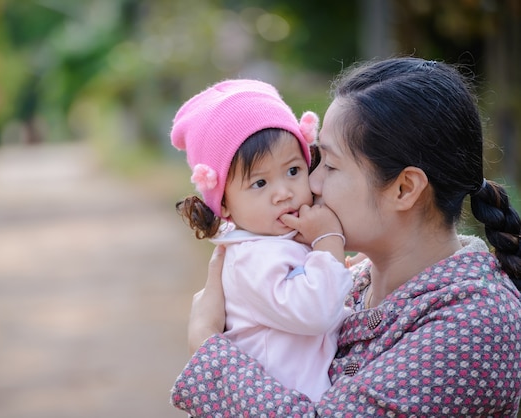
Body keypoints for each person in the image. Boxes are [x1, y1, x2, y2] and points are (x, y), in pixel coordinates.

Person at [170, 57, 521, 417]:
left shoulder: (474, 325)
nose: (311, 183)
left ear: (404, 188)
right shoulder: (353, 279)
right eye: (314, 160)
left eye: (330, 166)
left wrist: (207, 343)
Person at [170, 79, 353, 401]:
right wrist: (328, 242)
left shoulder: (277, 243)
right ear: (223, 204)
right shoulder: (251, 258)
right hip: (278, 403)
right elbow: (315, 313)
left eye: (294, 171)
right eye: (259, 183)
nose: (283, 193)